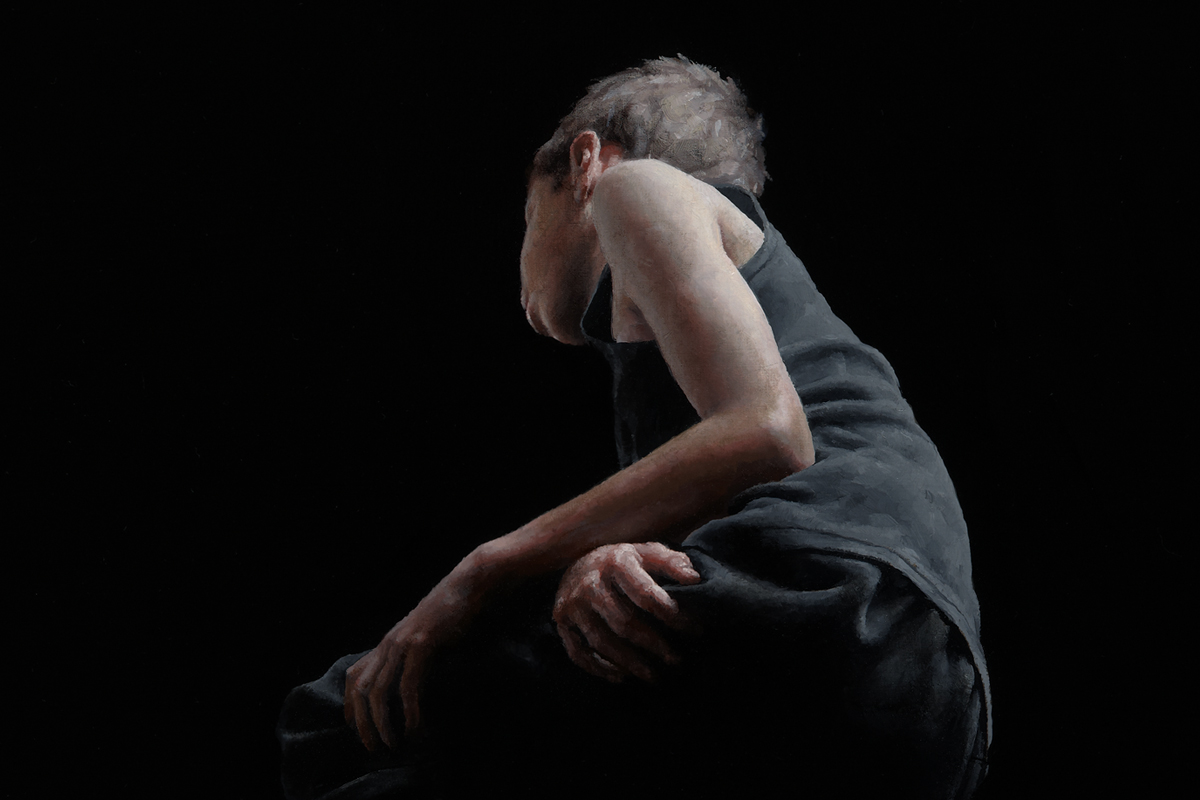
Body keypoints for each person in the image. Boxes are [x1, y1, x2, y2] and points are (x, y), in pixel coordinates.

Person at [278, 56, 990, 799]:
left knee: (345, 716)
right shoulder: (733, 325)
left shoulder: (638, 187)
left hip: (827, 591)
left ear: (586, 162)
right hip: (935, 696)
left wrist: (481, 571)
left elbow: (772, 434)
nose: (520, 259)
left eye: (529, 214)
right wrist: (606, 555)